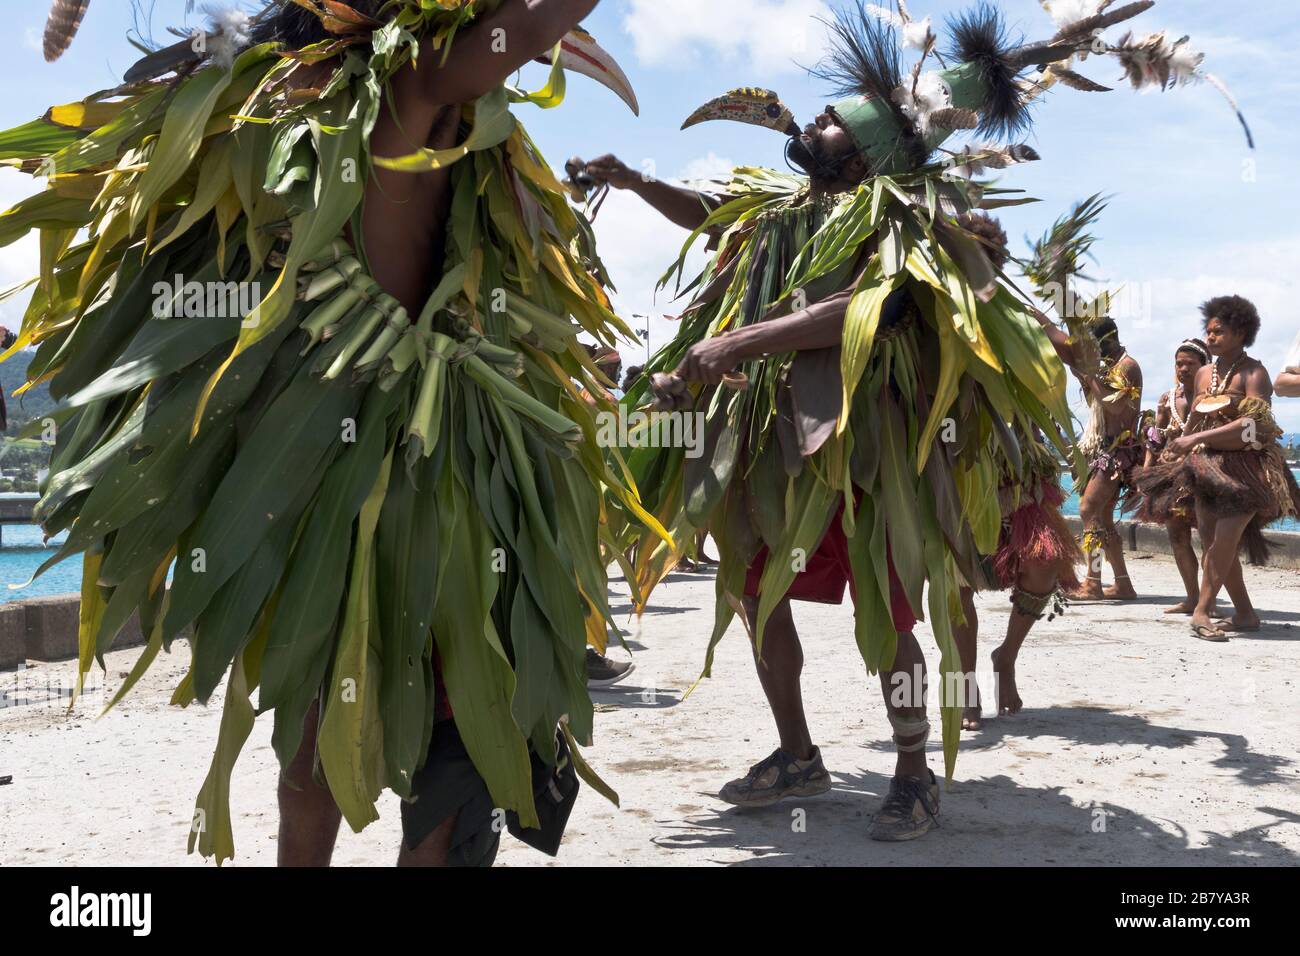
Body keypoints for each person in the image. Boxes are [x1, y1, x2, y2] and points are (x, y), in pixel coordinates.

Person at [8, 0, 645, 866]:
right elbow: (523, 34)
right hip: (415, 473)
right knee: (436, 725)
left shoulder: (324, 131)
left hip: (342, 466)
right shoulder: (406, 97)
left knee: (328, 717)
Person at [589, 0, 1221, 840]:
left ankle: (915, 774)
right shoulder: (787, 210)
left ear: (868, 150)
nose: (812, 121)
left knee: (886, 620)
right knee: (753, 591)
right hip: (776, 442)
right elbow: (711, 212)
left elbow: (867, 307)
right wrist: (635, 182)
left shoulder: (904, 224)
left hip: (871, 449)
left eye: (830, 121)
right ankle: (797, 751)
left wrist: (739, 342)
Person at [946, 215, 1084, 731]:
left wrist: (1067, 296)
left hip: (1016, 463)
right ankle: (965, 688)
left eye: (986, 256)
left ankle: (1006, 656)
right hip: (950, 463)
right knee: (954, 583)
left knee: (1044, 564)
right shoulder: (927, 310)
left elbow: (1075, 356)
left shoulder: (1018, 312)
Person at [1147, 297, 1300, 641]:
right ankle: (1245, 614)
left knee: (1224, 541)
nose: (1211, 336)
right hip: (1207, 466)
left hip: (1247, 468)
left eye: (1219, 331)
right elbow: (1196, 418)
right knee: (1215, 542)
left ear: (1240, 333)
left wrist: (1196, 437)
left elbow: (1252, 428)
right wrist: (1181, 445)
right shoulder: (1204, 373)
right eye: (1209, 330)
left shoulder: (1255, 373)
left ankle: (1201, 611)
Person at [1134, 339, 1212, 613]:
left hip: (1204, 475)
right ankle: (1192, 597)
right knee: (1177, 536)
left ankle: (1207, 600)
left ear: (1205, 366)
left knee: (1209, 538)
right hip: (1171, 478)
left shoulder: (1215, 398)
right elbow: (1156, 438)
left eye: (1190, 364)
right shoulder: (1168, 398)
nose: (1183, 369)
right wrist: (1147, 472)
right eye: (1179, 363)